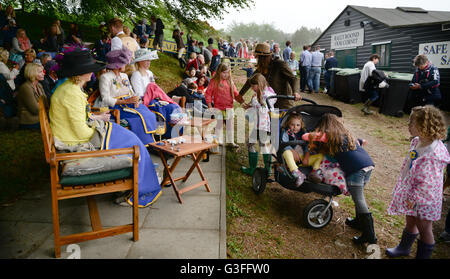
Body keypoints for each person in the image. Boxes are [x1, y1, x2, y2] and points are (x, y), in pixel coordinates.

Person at [50, 49, 161, 207]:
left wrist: (96, 119)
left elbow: (78, 119)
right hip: (74, 145)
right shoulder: (71, 93)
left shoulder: (70, 89)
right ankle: (138, 189)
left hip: (74, 137)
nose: (92, 72)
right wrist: (100, 126)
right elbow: (82, 132)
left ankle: (141, 180)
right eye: (89, 69)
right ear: (79, 73)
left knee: (130, 136)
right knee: (134, 145)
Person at [386, 105, 449, 259]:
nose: (408, 126)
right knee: (410, 221)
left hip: (424, 199)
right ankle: (404, 248)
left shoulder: (433, 153)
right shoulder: (417, 141)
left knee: (424, 227)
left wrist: (414, 199)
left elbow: (428, 183)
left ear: (424, 126)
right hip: (412, 192)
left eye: (412, 123)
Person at [316, 113, 376, 245]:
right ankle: (359, 222)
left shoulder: (331, 138)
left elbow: (331, 157)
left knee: (359, 199)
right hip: (368, 165)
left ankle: (369, 235)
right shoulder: (346, 135)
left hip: (356, 170)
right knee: (358, 197)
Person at [97, 47, 158, 145]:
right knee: (140, 117)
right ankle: (140, 144)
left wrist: (136, 99)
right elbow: (105, 99)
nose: (127, 65)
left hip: (129, 104)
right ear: (118, 65)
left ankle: (150, 143)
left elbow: (131, 92)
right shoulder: (105, 77)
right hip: (117, 107)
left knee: (150, 114)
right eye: (124, 63)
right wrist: (125, 102)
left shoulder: (124, 76)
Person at [239, 43, 301, 109]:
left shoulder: (280, 64)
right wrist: (240, 95)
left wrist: (296, 92)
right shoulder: (262, 68)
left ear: (263, 58)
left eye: (258, 57)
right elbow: (250, 81)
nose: (257, 60)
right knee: (271, 119)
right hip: (270, 104)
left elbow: (293, 78)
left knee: (280, 119)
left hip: (283, 103)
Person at [241, 73, 276, 176]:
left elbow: (263, 109)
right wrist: (250, 105)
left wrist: (254, 102)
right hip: (263, 125)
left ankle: (253, 169)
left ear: (259, 84)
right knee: (263, 146)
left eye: (253, 86)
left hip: (262, 126)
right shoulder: (267, 92)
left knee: (253, 144)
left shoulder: (265, 95)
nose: (252, 88)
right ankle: (267, 169)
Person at [205, 63, 244, 147]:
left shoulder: (230, 81)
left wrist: (241, 100)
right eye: (224, 72)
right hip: (218, 108)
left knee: (229, 125)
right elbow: (208, 94)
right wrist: (209, 106)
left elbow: (235, 93)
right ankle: (217, 140)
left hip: (229, 107)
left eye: (227, 72)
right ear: (219, 72)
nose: (226, 74)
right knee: (219, 125)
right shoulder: (214, 81)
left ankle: (230, 141)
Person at [280, 112, 307, 186]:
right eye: (292, 125)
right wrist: (292, 151)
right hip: (291, 155)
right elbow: (284, 143)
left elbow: (307, 145)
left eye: (298, 125)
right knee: (286, 152)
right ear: (288, 124)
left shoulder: (303, 133)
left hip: (302, 156)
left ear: (301, 125)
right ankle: (297, 173)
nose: (295, 127)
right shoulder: (286, 132)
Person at [17, 63, 46, 129]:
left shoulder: (39, 85)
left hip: (40, 119)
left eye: (43, 71)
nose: (43, 73)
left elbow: (46, 103)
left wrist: (39, 104)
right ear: (32, 73)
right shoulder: (26, 87)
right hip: (29, 122)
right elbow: (35, 109)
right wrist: (41, 104)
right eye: (40, 72)